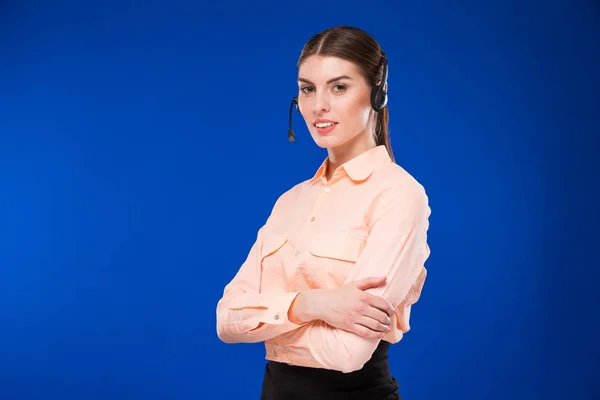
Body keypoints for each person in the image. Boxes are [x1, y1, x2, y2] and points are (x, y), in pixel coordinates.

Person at [216, 25, 431, 400]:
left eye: (339, 87)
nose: (318, 106)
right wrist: (315, 304)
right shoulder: (290, 201)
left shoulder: (398, 194)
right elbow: (227, 320)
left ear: (378, 94)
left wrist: (269, 323)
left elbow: (346, 353)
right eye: (307, 88)